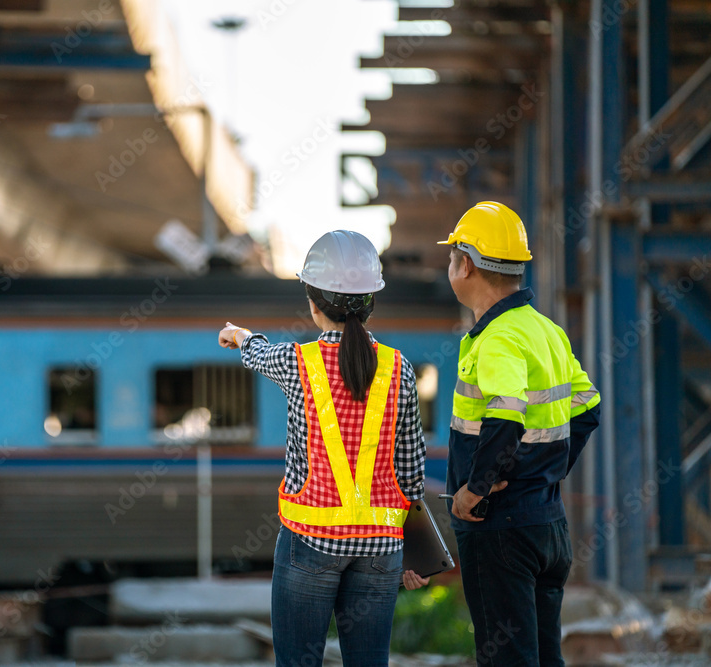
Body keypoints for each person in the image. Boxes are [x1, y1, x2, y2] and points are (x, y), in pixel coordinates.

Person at [218, 230, 429, 667]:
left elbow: (257, 353)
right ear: (372, 302)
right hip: (381, 549)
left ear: (314, 303)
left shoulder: (297, 362)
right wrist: (414, 550)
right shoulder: (399, 368)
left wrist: (238, 335)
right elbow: (411, 473)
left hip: (309, 544)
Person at [438, 202, 602, 665]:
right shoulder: (545, 330)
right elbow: (587, 409)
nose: (451, 265)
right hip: (547, 524)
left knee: (506, 658)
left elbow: (505, 418)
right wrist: (542, 472)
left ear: (465, 264)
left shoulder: (497, 338)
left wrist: (475, 489)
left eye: (452, 257)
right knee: (544, 657)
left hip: (500, 527)